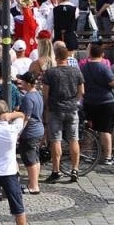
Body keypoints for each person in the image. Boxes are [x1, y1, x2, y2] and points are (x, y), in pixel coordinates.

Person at [41, 42, 83, 183]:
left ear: (56, 57)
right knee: (73, 139)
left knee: (56, 140)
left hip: (56, 109)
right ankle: (75, 169)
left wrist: (47, 106)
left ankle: (56, 170)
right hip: (72, 109)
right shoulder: (76, 71)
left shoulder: (50, 72)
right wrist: (74, 101)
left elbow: (45, 93)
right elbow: (81, 91)